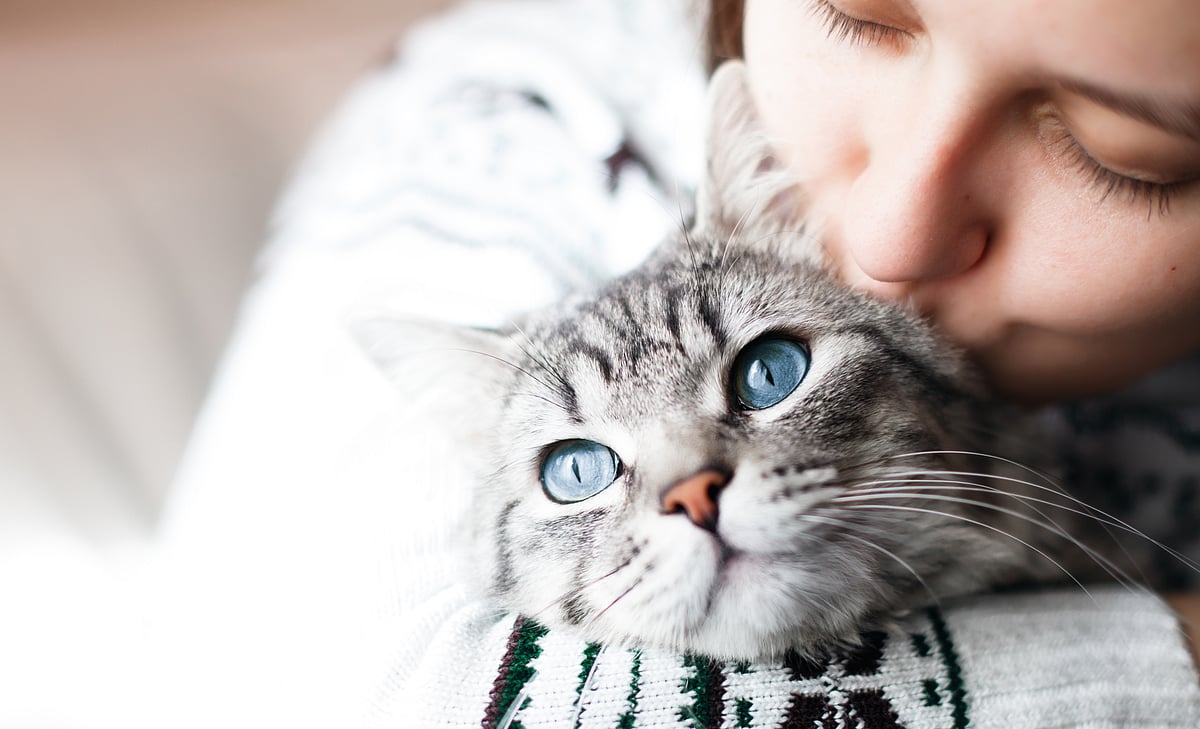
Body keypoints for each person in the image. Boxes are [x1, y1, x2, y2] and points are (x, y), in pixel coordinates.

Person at [143, 0, 1200, 727]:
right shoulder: (516, 110)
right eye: (857, 13)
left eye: (1123, 153)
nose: (887, 237)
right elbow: (346, 693)